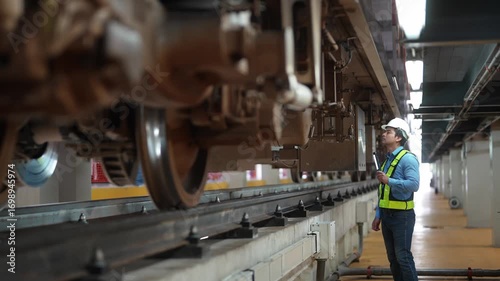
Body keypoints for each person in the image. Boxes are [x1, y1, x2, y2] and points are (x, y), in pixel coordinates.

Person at [371, 117, 420, 281]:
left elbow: (414, 185)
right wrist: (378, 215)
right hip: (387, 216)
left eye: (388, 132)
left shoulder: (408, 159)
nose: (384, 134)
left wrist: (388, 180)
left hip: (402, 217)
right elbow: (383, 191)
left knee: (403, 257)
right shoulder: (387, 160)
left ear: (398, 137)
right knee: (393, 259)